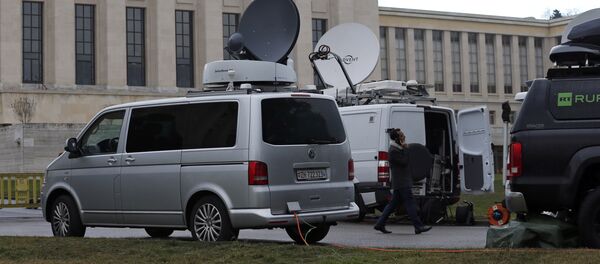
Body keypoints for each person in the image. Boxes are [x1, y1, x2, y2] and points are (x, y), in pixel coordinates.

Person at [374, 128, 432, 234]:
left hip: (401, 182)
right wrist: (406, 149)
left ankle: (379, 224)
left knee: (392, 204)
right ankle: (418, 226)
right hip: (402, 182)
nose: (403, 138)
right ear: (396, 139)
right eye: (401, 136)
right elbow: (404, 161)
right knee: (410, 204)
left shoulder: (397, 149)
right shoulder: (393, 151)